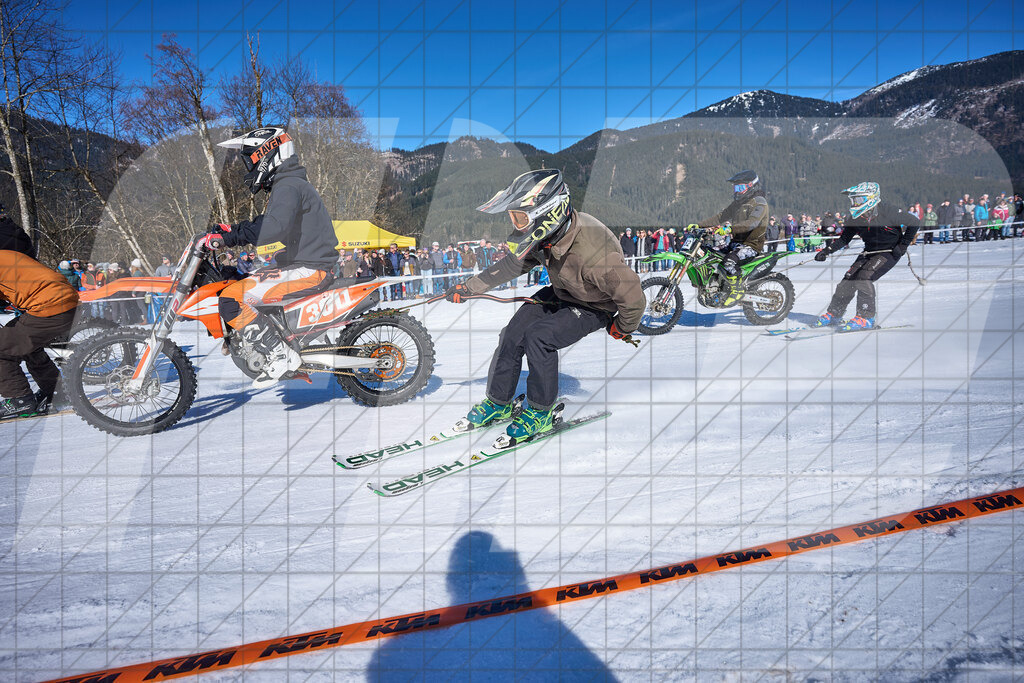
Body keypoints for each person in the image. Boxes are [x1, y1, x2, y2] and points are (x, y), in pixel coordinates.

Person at [444, 169, 644, 442]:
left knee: (539, 338)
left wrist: (622, 327)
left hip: (593, 305)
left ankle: (541, 411)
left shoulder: (595, 253)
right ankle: (499, 402)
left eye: (521, 217)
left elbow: (633, 297)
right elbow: (513, 264)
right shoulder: (547, 235)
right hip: (563, 291)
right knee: (512, 334)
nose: (517, 225)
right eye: (514, 217)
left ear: (548, 212)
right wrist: (470, 287)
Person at [206, 126, 339, 386]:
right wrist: (232, 232)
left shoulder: (288, 185)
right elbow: (280, 229)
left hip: (310, 269)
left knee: (232, 299)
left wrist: (230, 236)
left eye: (251, 158)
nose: (249, 166)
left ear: (268, 153)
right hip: (305, 264)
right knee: (236, 284)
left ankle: (279, 355)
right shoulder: (289, 183)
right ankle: (273, 344)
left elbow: (274, 226)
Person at [812, 182, 919, 331]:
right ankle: (834, 314)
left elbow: (914, 222)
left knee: (863, 278)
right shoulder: (854, 219)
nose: (855, 204)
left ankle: (866, 317)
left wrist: (902, 246)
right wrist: (826, 251)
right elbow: (844, 239)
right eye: (853, 200)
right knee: (848, 279)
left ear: (871, 198)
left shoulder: (887, 211)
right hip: (869, 252)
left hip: (889, 252)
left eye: (859, 200)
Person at [0, 248, 79, 418]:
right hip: (65, 301)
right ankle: (56, 392)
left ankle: (19, 400)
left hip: (49, 306)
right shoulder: (6, 255)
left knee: (2, 348)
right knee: (26, 344)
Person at [701, 170, 769, 305]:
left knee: (729, 262)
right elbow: (720, 217)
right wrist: (698, 225)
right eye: (735, 187)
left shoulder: (759, 202)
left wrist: (729, 229)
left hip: (751, 245)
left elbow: (751, 223)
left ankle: (737, 291)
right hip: (736, 243)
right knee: (709, 254)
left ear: (751, 186)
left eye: (740, 187)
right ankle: (715, 287)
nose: (737, 191)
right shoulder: (738, 203)